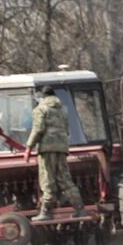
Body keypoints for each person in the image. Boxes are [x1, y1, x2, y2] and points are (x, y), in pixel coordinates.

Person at [26, 83, 83, 221]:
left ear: (43, 96)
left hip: (47, 149)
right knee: (65, 179)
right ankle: (80, 209)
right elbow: (67, 130)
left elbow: (38, 129)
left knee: (47, 180)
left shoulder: (40, 109)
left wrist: (28, 147)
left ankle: (45, 212)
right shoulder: (63, 110)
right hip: (62, 148)